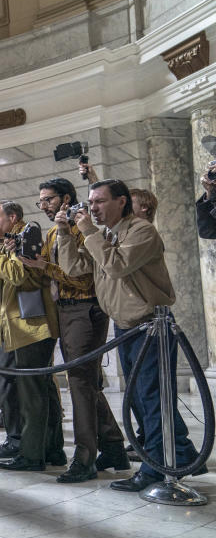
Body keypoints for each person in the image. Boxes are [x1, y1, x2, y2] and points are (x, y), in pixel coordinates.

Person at [56, 179, 202, 492]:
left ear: (121, 201)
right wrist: (65, 233)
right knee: (139, 397)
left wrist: (89, 232)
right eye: (90, 202)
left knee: (150, 399)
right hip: (125, 326)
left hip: (151, 325)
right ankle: (183, 453)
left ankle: (155, 470)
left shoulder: (141, 231)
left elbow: (117, 265)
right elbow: (73, 267)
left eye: (99, 201)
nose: (92, 208)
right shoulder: (105, 235)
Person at [16, 177, 128, 482]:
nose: (44, 206)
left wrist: (44, 268)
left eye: (49, 200)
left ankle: (84, 458)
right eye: (41, 201)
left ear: (66, 199)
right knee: (85, 381)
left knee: (79, 382)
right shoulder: (53, 232)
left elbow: (83, 279)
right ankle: (114, 447)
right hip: (65, 311)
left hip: (85, 308)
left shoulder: (83, 229)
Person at [0, 200, 63, 472]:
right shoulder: (10, 241)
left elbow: (17, 276)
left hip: (32, 326)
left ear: (12, 216)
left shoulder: (27, 235)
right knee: (41, 392)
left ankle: (32, 455)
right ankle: (51, 450)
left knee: (32, 396)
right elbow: (1, 280)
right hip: (25, 326)